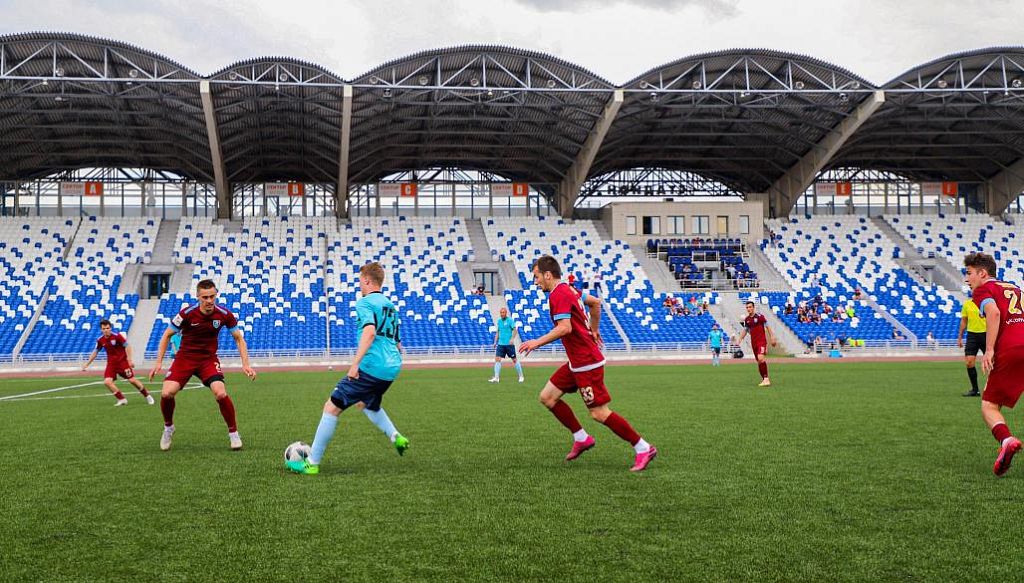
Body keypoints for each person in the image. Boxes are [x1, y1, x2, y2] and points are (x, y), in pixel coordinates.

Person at [518, 255, 657, 472]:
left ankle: (643, 447)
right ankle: (581, 438)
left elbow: (565, 328)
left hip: (586, 363)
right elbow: (595, 303)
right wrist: (595, 329)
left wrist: (537, 342)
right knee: (547, 397)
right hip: (577, 361)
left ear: (547, 274)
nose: (535, 282)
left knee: (599, 413)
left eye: (536, 277)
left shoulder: (558, 294)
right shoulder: (570, 289)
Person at [287, 263, 410, 475]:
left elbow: (370, 333)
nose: (359, 285)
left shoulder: (365, 303)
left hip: (372, 366)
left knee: (331, 407)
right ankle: (396, 437)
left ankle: (312, 463)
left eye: (361, 280)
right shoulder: (390, 305)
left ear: (368, 281)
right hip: (392, 367)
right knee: (367, 404)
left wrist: (355, 365)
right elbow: (397, 342)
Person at [149, 279, 256, 451]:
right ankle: (169, 428)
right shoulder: (186, 314)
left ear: (216, 295)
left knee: (221, 393)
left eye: (212, 296)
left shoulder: (224, 314)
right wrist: (158, 362)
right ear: (198, 296)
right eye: (205, 297)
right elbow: (167, 335)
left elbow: (239, 338)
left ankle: (234, 434)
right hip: (185, 358)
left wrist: (246, 365)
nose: (209, 300)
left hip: (207, 359)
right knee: (167, 393)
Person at [963, 252, 1024, 476]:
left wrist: (989, 350)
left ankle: (1006, 441)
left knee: (989, 405)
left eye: (969, 273)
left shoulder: (983, 290)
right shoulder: (1015, 288)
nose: (966, 279)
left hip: (1011, 349)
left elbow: (994, 312)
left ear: (982, 273)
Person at [82, 319, 154, 406]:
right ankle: (122, 399)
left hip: (122, 363)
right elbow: (95, 352)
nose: (106, 330)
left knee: (132, 380)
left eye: (107, 328)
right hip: (111, 364)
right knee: (107, 382)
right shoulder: (100, 340)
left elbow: (128, 347)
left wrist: (129, 360)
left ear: (110, 328)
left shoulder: (117, 336)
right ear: (101, 329)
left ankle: (147, 395)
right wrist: (87, 364)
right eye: (104, 328)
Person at [734, 301, 778, 387]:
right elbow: (745, 330)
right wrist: (740, 339)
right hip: (754, 343)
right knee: (759, 361)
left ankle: (766, 379)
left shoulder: (760, 317)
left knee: (761, 358)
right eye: (747, 307)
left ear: (753, 307)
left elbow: (767, 326)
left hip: (761, 341)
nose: (748, 309)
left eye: (750, 307)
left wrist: (772, 337)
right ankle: (764, 379)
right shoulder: (747, 320)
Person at [958, 294, 987, 397]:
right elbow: (964, 321)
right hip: (972, 335)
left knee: (992, 363)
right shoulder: (967, 304)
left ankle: (994, 389)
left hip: (986, 334)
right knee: (969, 362)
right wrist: (960, 338)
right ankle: (975, 390)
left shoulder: (987, 304)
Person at [489, 307, 525, 383]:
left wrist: (512, 339)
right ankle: (496, 377)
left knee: (514, 360)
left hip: (509, 344)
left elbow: (515, 330)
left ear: (506, 313)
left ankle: (521, 376)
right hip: (501, 344)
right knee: (497, 359)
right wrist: (495, 342)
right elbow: (498, 332)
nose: (502, 314)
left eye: (503, 312)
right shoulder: (499, 321)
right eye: (501, 313)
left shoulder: (510, 320)